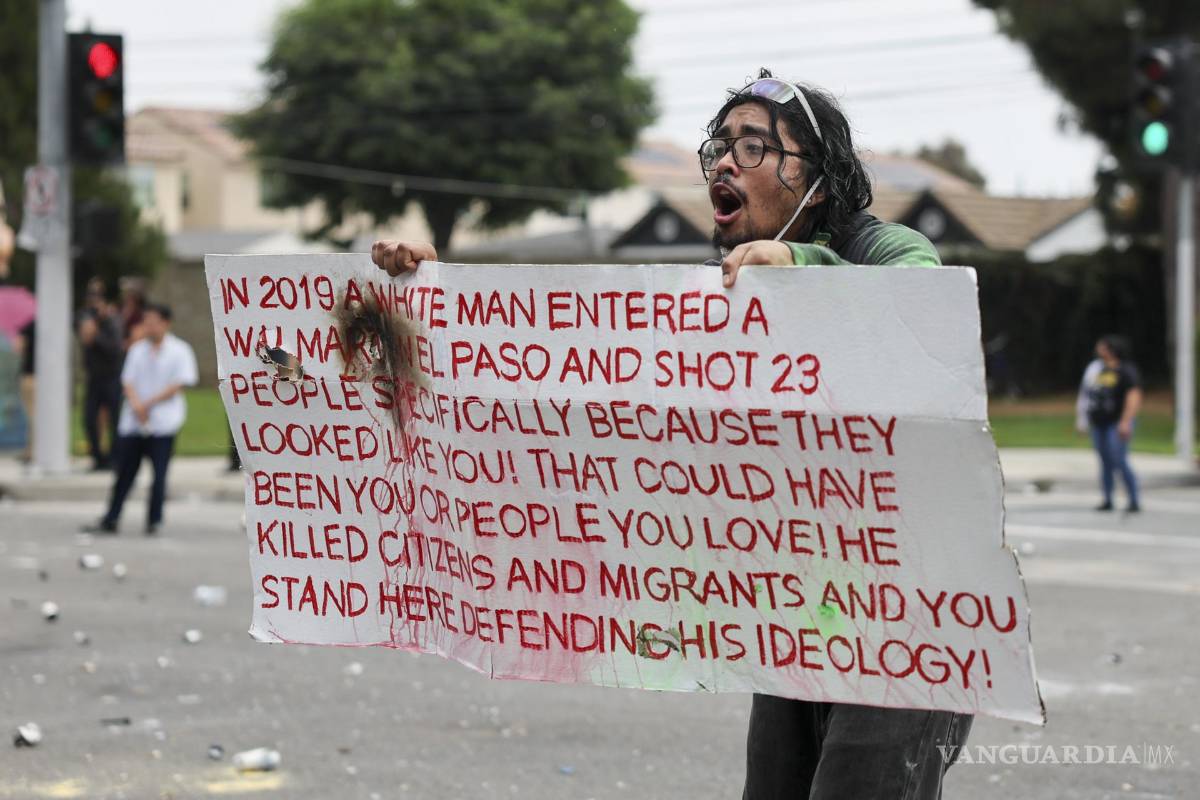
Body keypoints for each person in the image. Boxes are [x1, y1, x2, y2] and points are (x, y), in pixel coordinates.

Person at [372, 69, 970, 799]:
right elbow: (567, 361)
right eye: (721, 146)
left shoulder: (884, 249)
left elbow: (922, 304)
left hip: (908, 621)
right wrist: (442, 305)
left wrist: (800, 264)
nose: (724, 161)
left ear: (814, 185)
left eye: (754, 146)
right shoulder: (715, 300)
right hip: (801, 609)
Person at [84, 303, 197, 535]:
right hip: (134, 422)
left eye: (153, 321)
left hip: (163, 423)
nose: (149, 326)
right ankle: (112, 517)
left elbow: (179, 383)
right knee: (124, 473)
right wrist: (137, 405)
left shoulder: (180, 350)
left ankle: (154, 520)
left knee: (159, 475)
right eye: (146, 321)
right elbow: (128, 381)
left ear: (166, 323)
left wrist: (149, 404)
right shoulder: (137, 350)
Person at [1083, 335, 1142, 512]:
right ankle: (1108, 498)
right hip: (1100, 423)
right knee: (1105, 461)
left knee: (1119, 460)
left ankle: (1133, 498)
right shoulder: (1100, 370)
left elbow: (1134, 397)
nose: (1098, 349)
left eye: (1102, 347)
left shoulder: (1126, 371)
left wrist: (1125, 421)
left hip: (1116, 423)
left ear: (1111, 350)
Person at [77, 279, 125, 470]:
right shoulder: (85, 318)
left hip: (112, 377)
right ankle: (98, 457)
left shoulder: (113, 321)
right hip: (93, 377)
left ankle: (116, 457)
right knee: (89, 418)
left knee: (115, 419)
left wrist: (95, 335)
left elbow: (114, 349)